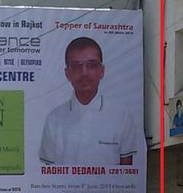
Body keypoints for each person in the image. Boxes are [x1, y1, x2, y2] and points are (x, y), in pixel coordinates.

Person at [39, 36, 144, 167]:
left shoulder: (121, 114)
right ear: (67, 73)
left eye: (92, 65)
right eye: (76, 66)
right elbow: (48, 174)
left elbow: (127, 171)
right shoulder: (53, 119)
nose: (84, 73)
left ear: (102, 71)